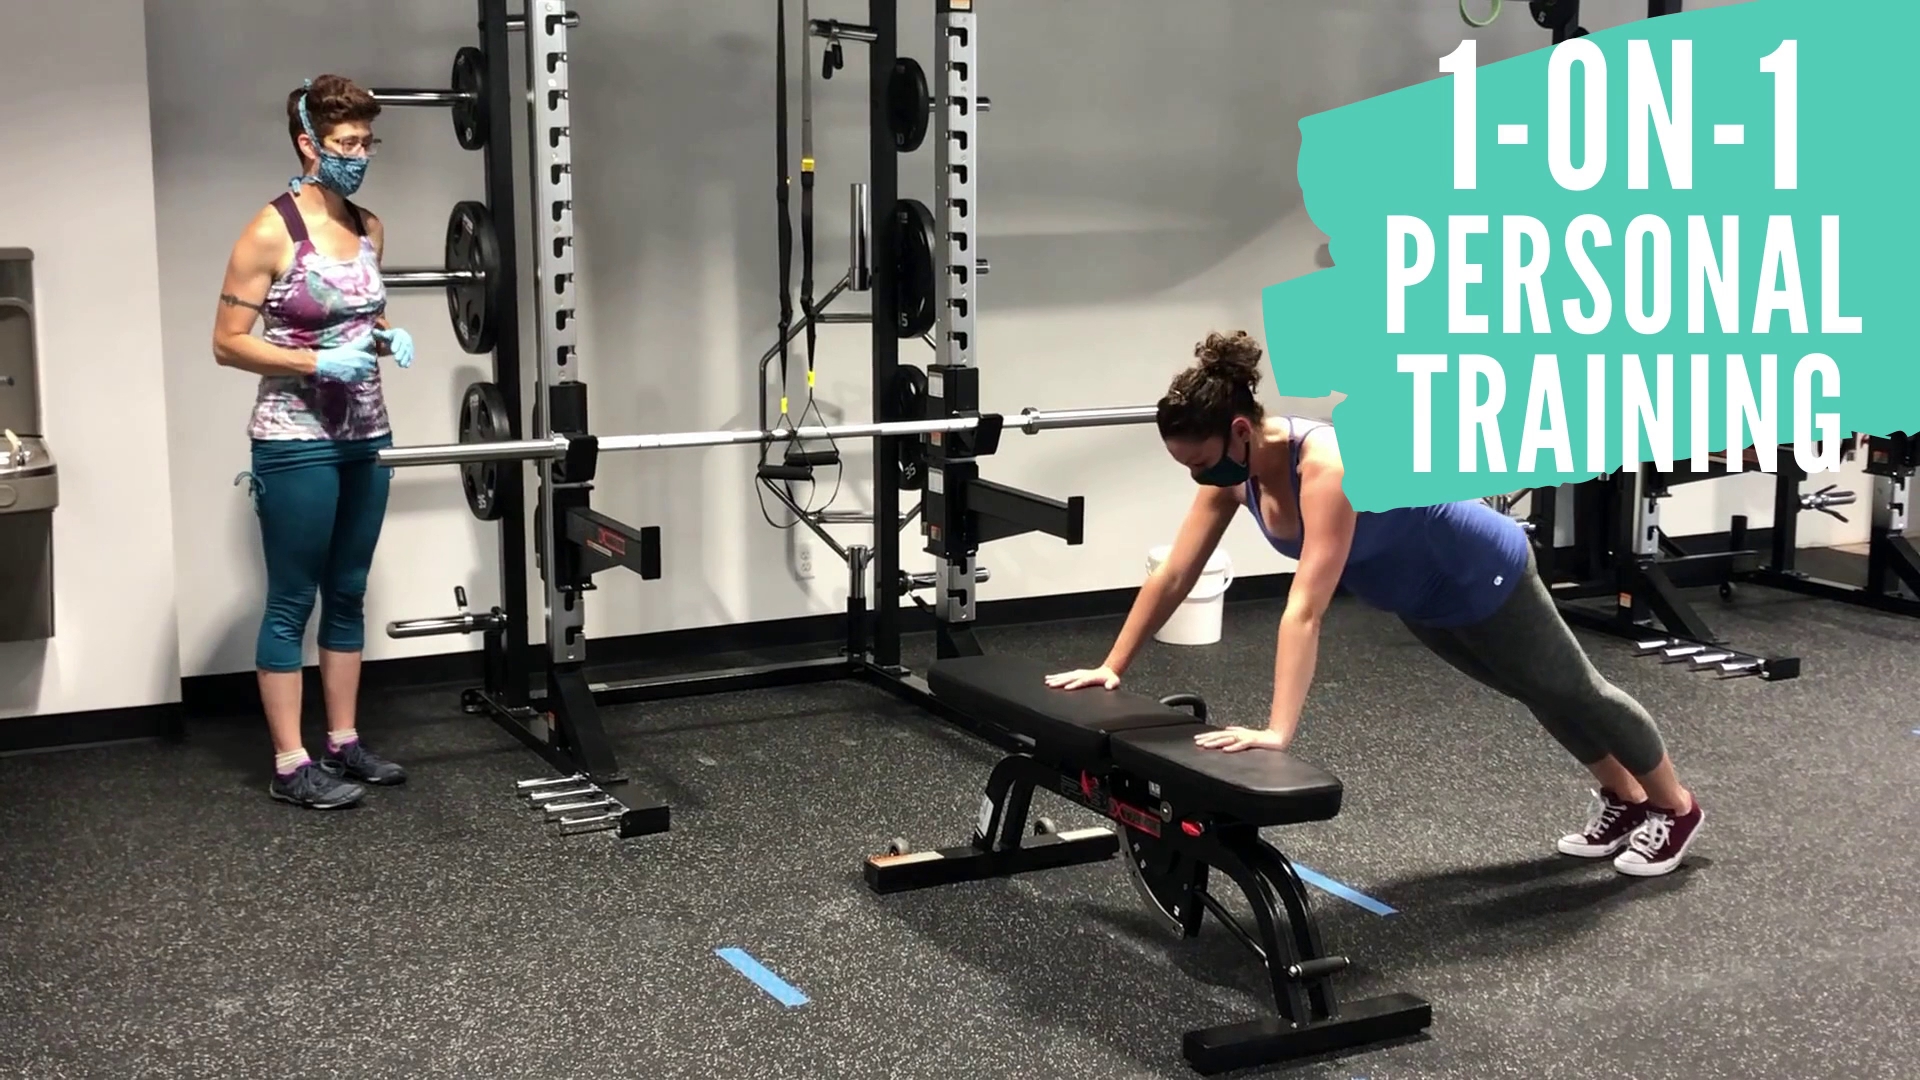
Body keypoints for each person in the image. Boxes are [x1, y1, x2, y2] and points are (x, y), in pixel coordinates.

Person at [1046, 331, 1705, 878]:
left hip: (1478, 569)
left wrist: (1277, 731)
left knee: (1574, 688)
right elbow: (1175, 572)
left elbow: (1305, 608)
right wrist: (1113, 665)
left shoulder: (1326, 468)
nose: (1200, 478)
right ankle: (1623, 797)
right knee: (1533, 689)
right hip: (1417, 596)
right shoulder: (1234, 474)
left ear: (1240, 429)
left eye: (1202, 463)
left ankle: (1675, 808)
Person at [212, 75, 413, 810]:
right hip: (295, 439)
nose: (360, 155)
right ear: (308, 144)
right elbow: (227, 343)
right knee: (293, 599)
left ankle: (343, 741)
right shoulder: (269, 232)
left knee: (349, 590)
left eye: (367, 142)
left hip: (367, 433)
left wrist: (387, 338)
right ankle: (290, 763)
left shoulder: (369, 227)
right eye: (346, 144)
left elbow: (363, 320)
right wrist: (315, 363)